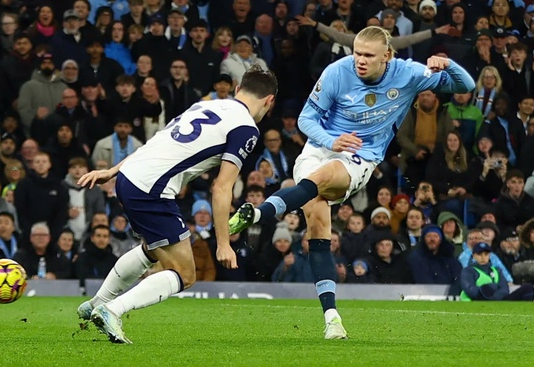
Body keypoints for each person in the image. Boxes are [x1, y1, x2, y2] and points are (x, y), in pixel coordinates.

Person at [228, 25, 475, 340]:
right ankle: (332, 318)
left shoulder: (409, 73)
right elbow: (306, 119)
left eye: (368, 55)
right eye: (357, 52)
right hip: (321, 146)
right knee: (317, 223)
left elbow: (465, 84)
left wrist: (448, 64)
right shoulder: (337, 72)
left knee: (324, 177)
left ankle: (260, 212)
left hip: (361, 156)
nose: (360, 60)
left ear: (386, 56)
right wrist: (332, 140)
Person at [75, 65, 277, 344]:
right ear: (270, 101)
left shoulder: (206, 106)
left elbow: (159, 142)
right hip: (151, 189)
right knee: (185, 273)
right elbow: (221, 187)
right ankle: (111, 309)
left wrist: (113, 171)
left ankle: (95, 302)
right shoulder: (245, 128)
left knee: (152, 249)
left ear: (238, 89)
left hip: (130, 177)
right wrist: (223, 243)